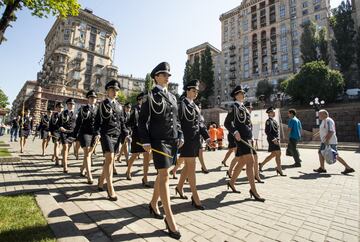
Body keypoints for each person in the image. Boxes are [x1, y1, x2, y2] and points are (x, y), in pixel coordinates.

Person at [138, 62, 183, 239]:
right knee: (164, 175)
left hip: (172, 141)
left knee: (162, 175)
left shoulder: (172, 97)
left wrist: (180, 135)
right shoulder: (150, 96)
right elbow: (142, 122)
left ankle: (152, 204)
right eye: (164, 75)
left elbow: (177, 120)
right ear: (156, 77)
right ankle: (170, 220)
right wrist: (146, 142)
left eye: (168, 75)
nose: (167, 77)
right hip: (158, 141)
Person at [224, 85, 265, 202]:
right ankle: (253, 190)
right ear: (235, 96)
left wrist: (251, 137)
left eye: (243, 93)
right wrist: (235, 132)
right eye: (240, 93)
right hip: (241, 139)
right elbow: (227, 123)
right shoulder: (234, 107)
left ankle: (231, 183)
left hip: (247, 138)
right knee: (251, 162)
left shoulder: (244, 108)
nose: (243, 95)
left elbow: (248, 125)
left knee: (242, 162)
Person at [175, 80, 211, 210]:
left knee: (188, 167)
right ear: (187, 91)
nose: (196, 93)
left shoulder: (195, 106)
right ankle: (195, 196)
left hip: (195, 140)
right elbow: (177, 122)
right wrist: (180, 136)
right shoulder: (181, 105)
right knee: (191, 167)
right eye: (193, 91)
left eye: (197, 91)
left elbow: (200, 124)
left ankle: (179, 187)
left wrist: (206, 137)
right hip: (186, 140)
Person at [94, 80, 130, 201]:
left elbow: (122, 122)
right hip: (106, 134)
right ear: (108, 91)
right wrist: (97, 133)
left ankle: (100, 181)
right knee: (109, 159)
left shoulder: (119, 106)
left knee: (109, 161)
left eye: (117, 90)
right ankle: (110, 188)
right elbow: (97, 121)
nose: (115, 92)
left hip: (117, 135)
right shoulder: (102, 104)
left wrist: (126, 134)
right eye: (113, 90)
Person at [226, 101, 263, 183]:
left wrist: (252, 137)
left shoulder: (248, 117)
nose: (250, 109)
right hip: (239, 139)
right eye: (249, 108)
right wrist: (235, 136)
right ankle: (230, 172)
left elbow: (249, 129)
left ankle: (256, 175)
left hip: (248, 139)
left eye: (251, 108)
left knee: (248, 158)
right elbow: (231, 126)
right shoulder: (238, 114)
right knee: (238, 158)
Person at [313, 110, 355, 175]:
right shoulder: (324, 121)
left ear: (325, 114)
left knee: (334, 155)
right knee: (320, 152)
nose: (319, 116)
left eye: (320, 114)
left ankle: (348, 168)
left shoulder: (329, 120)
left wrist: (327, 141)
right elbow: (323, 130)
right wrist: (317, 134)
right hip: (325, 141)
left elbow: (331, 131)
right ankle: (322, 168)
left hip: (330, 142)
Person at [125, 92, 152, 187]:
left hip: (146, 135)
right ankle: (128, 170)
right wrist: (129, 133)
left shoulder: (149, 109)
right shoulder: (135, 109)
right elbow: (129, 123)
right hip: (137, 135)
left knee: (147, 156)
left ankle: (145, 177)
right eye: (143, 100)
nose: (145, 101)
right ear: (139, 100)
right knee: (135, 155)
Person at [74, 90, 98, 184]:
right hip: (84, 133)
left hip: (94, 134)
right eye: (91, 98)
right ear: (88, 99)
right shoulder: (83, 109)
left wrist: (99, 133)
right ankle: (89, 175)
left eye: (94, 98)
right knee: (87, 153)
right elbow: (78, 122)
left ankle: (82, 168)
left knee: (89, 153)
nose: (93, 99)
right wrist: (74, 135)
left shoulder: (98, 109)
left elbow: (100, 123)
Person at [259, 107, 286, 176]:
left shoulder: (274, 121)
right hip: (272, 139)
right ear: (269, 113)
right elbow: (267, 132)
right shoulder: (268, 121)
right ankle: (279, 168)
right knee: (278, 153)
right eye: (273, 112)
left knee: (274, 154)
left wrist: (277, 139)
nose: (274, 113)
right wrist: (274, 139)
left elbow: (276, 131)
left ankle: (261, 164)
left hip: (275, 139)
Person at [58, 98, 77, 173]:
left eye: (72, 104)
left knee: (67, 148)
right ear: (67, 105)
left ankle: (63, 158)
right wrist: (61, 127)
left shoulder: (76, 113)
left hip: (72, 133)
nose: (71, 105)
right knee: (65, 147)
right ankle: (65, 166)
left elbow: (78, 124)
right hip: (64, 132)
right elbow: (59, 123)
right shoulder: (63, 113)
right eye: (70, 104)